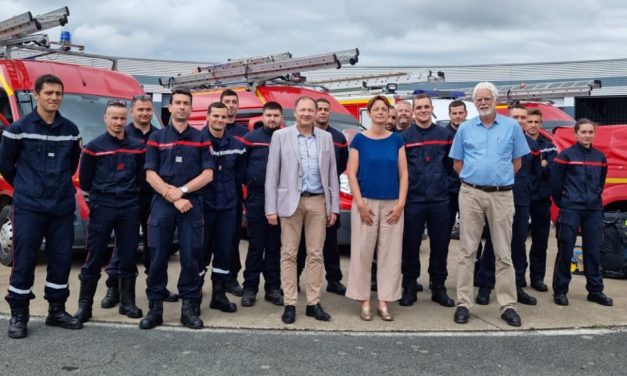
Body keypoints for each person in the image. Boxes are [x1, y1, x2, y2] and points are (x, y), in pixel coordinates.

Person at [1, 74, 83, 338]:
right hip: (29, 207)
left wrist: (56, 187)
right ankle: (19, 315)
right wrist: (27, 187)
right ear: (36, 95)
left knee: (61, 260)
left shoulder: (71, 130)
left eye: (58, 94)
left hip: (60, 206)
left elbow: (72, 164)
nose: (54, 98)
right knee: (24, 261)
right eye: (49, 93)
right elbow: (5, 165)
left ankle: (56, 311)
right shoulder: (18, 129)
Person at [449, 82, 530, 327]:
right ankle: (464, 303)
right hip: (471, 194)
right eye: (479, 99)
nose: (483, 102)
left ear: (495, 100)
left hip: (502, 195)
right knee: (466, 251)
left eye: (487, 98)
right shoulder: (464, 128)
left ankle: (507, 305)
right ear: (474, 103)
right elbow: (457, 164)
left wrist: (496, 180)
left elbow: (517, 163)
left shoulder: (512, 127)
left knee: (504, 252)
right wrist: (478, 180)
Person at [140, 88, 214, 330]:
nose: (182, 107)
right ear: (170, 108)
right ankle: (155, 308)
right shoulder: (157, 138)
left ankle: (189, 308)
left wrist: (181, 192)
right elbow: (150, 174)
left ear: (191, 109)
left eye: (186, 103)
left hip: (191, 204)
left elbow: (208, 174)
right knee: (158, 255)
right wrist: (172, 197)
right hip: (163, 203)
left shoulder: (201, 138)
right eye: (178, 103)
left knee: (191, 257)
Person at [265, 96, 339, 324]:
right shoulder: (280, 136)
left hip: (318, 201)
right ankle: (290, 303)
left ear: (316, 113)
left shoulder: (326, 138)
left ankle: (313, 303)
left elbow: (332, 174)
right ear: (295, 113)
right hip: (290, 202)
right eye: (302, 110)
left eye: (311, 110)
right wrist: (271, 208)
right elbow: (272, 174)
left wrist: (333, 206)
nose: (307, 113)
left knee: (316, 254)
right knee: (289, 254)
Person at [101, 95, 179, 310]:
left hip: (155, 197)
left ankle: (156, 287)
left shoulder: (160, 135)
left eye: (147, 110)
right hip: (128, 198)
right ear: (132, 112)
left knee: (155, 246)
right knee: (123, 245)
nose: (144, 113)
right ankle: (113, 288)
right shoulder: (121, 134)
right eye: (140, 110)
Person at [73, 100, 145, 323]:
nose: (118, 122)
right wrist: (98, 201)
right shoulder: (93, 148)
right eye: (114, 118)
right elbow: (85, 182)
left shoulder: (138, 146)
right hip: (103, 206)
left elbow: (142, 178)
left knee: (128, 254)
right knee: (95, 255)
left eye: (122, 118)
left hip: (129, 206)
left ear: (127, 119)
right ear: (105, 118)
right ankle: (85, 306)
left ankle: (127, 302)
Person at [345, 95, 408, 321]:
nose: (380, 112)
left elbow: (404, 174)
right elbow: (351, 172)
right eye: (376, 109)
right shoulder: (359, 141)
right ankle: (364, 300)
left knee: (390, 255)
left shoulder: (397, 140)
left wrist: (401, 204)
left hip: (392, 204)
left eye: (384, 109)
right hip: (366, 204)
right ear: (369, 113)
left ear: (389, 114)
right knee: (362, 253)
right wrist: (360, 204)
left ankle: (384, 301)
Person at [474, 104, 541, 306]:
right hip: (499, 195)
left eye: (523, 117)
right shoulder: (498, 139)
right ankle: (485, 286)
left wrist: (530, 194)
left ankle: (516, 286)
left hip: (521, 199)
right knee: (495, 244)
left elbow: (536, 174)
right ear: (508, 119)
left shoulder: (532, 145)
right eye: (516, 117)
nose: (520, 121)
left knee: (517, 244)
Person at [400, 94, 455, 308]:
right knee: (411, 245)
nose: (423, 110)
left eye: (426, 107)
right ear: (413, 111)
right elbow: (400, 169)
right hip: (413, 200)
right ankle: (409, 286)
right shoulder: (405, 137)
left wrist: (444, 184)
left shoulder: (444, 135)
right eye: (419, 107)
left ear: (431, 109)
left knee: (440, 246)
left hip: (440, 200)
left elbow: (452, 165)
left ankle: (438, 287)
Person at [551, 118, 613, 307]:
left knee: (593, 251)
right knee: (566, 250)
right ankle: (560, 291)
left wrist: (593, 198)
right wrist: (565, 202)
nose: (587, 135)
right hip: (571, 209)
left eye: (590, 132)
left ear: (594, 134)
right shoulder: (566, 156)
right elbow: (555, 184)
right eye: (583, 132)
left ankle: (595, 290)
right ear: (575, 134)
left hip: (593, 210)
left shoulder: (600, 157)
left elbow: (600, 182)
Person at [296, 98, 348, 296]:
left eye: (327, 109)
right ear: (315, 112)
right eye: (320, 109)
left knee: (330, 242)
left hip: (328, 195)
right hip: (304, 195)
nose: (323, 112)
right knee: (301, 242)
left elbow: (342, 165)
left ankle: (334, 280)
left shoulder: (338, 138)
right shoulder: (302, 135)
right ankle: (296, 279)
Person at [199, 102, 246, 314]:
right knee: (199, 251)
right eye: (215, 116)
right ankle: (194, 294)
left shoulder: (236, 144)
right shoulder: (196, 141)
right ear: (208, 116)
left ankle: (218, 295)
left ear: (228, 118)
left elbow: (240, 175)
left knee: (225, 250)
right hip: (202, 206)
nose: (219, 120)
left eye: (223, 116)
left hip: (227, 206)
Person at [240, 102, 284, 307]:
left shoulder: (287, 138)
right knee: (256, 245)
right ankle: (250, 288)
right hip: (257, 198)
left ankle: (273, 288)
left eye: (276, 115)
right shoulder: (250, 139)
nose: (272, 119)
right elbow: (241, 167)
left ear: (281, 117)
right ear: (263, 117)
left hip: (281, 198)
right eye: (269, 115)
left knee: (275, 246)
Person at [525, 109, 556, 292]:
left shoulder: (549, 145)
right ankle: (518, 277)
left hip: (542, 199)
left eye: (537, 122)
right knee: (518, 241)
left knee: (540, 241)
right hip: (521, 198)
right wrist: (540, 165)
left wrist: (539, 166)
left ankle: (537, 278)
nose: (533, 125)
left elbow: (552, 169)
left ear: (541, 124)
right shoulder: (519, 142)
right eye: (530, 121)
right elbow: (521, 169)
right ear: (525, 124)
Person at [220, 89, 248, 297]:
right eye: (226, 102)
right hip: (209, 196)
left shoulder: (243, 133)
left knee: (231, 239)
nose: (230, 105)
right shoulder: (208, 130)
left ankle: (231, 278)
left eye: (233, 102)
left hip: (234, 196)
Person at [445, 100, 468, 242]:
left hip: (469, 188)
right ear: (449, 115)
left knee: (471, 229)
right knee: (444, 229)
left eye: (461, 113)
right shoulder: (443, 134)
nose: (458, 116)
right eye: (454, 113)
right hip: (448, 190)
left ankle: (476, 262)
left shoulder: (473, 131)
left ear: (466, 113)